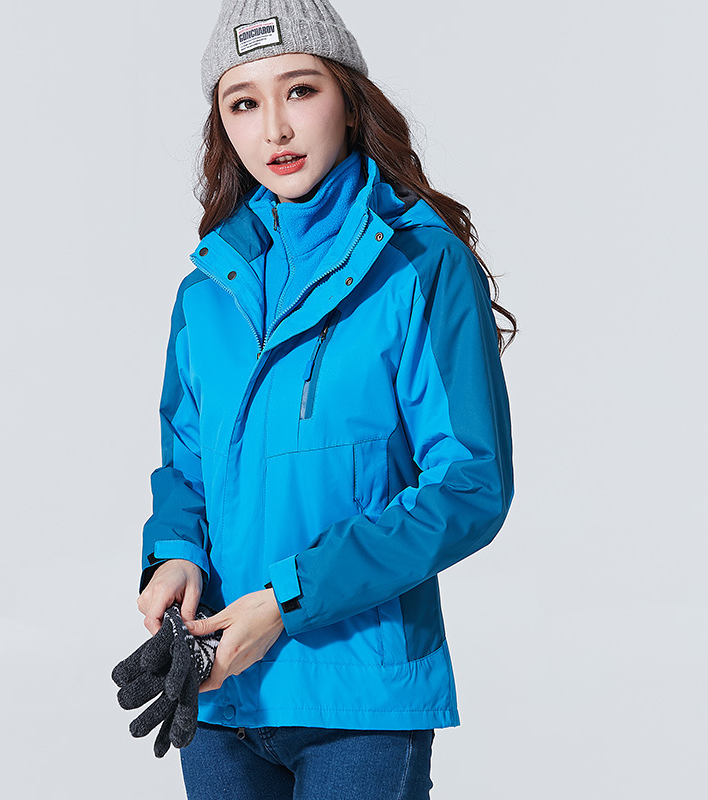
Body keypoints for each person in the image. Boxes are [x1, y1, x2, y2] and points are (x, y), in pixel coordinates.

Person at [134, 1, 515, 797]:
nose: (274, 128)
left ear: (347, 99)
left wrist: (286, 600)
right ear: (223, 125)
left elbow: (468, 484)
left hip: (360, 697)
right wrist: (174, 555)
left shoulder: (421, 266)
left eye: (300, 90)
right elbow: (187, 466)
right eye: (244, 102)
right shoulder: (206, 292)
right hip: (219, 689)